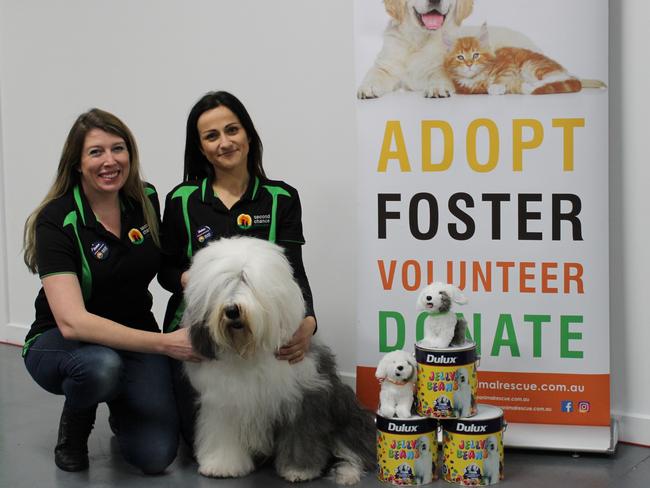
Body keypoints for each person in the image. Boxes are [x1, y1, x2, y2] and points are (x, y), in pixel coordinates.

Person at [22, 108, 199, 474]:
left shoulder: (145, 199)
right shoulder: (57, 219)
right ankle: (75, 427)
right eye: (96, 152)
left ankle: (121, 401)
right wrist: (166, 344)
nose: (110, 161)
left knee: (156, 456)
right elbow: (72, 323)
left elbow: (168, 263)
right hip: (63, 341)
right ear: (76, 163)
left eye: (118, 149)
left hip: (133, 333)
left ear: (130, 155)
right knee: (101, 366)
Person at [158, 90, 317, 447]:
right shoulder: (182, 200)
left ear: (248, 135)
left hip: (261, 332)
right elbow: (165, 270)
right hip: (196, 332)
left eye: (232, 130)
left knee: (267, 441)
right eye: (211, 136)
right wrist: (192, 279)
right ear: (200, 148)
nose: (225, 142)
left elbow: (295, 272)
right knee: (179, 445)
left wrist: (309, 321)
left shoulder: (281, 198)